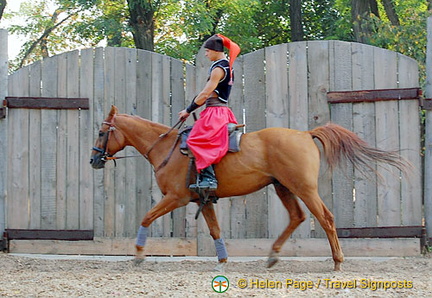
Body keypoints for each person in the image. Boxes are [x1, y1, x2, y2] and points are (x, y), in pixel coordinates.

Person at [178, 34, 240, 191]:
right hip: (222, 110)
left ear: (215, 50)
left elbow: (205, 94)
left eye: (207, 51)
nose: (205, 54)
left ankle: (209, 179)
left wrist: (188, 110)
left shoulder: (219, 68)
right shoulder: (227, 66)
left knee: (194, 139)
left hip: (215, 112)